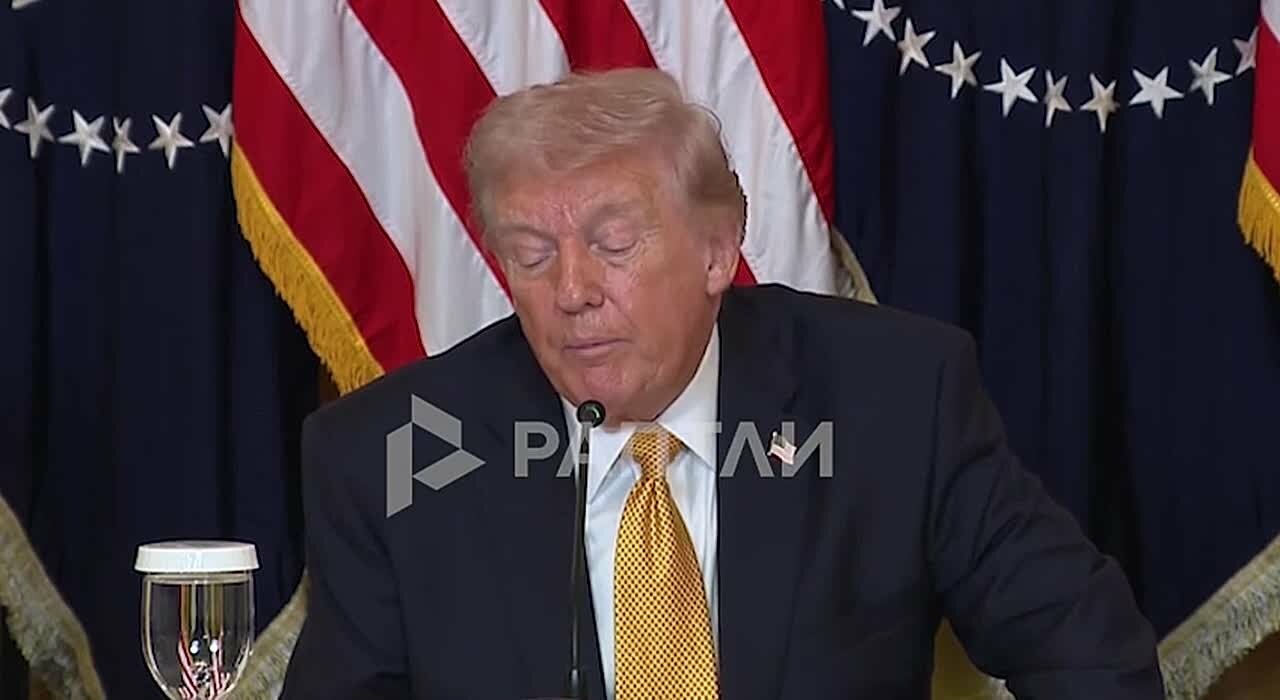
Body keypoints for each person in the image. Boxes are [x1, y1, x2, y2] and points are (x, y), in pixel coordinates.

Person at [280, 68, 1163, 699]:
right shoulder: (393, 455)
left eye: (613, 245)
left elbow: (1088, 655)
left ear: (717, 249)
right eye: (532, 254)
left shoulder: (893, 398)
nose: (572, 290)